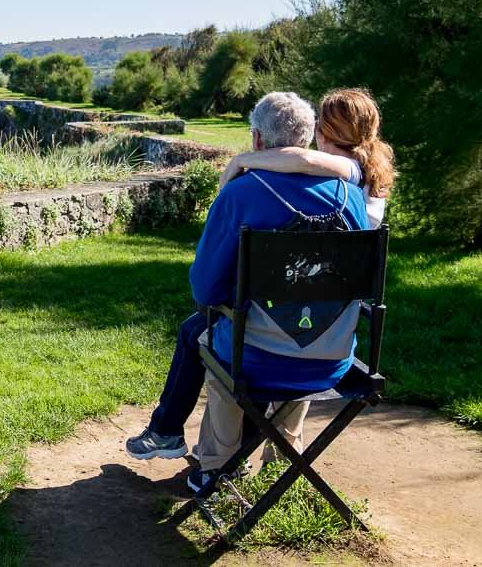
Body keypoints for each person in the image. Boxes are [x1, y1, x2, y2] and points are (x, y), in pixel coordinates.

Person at [126, 92, 371, 493]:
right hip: (331, 358)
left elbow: (204, 288)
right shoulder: (351, 197)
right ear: (308, 140)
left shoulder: (241, 193)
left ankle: (218, 467)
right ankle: (284, 459)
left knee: (220, 335)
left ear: (257, 140)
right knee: (302, 320)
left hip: (255, 359)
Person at [218, 88, 395, 228]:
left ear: (323, 135)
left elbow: (306, 161)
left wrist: (241, 160)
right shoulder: (366, 166)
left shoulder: (353, 168)